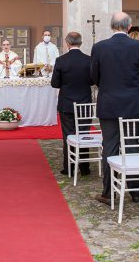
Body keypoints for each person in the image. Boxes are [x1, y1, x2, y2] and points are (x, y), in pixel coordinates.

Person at [91, 12, 139, 206]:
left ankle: (108, 192)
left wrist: (107, 87)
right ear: (129, 26)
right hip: (132, 103)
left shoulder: (99, 47)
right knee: (132, 145)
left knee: (110, 146)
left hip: (109, 102)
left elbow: (94, 77)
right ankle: (136, 191)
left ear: (111, 26)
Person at [50, 31, 93, 176]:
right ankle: (85, 168)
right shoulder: (89, 59)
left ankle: (69, 167)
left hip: (67, 103)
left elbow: (55, 83)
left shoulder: (61, 60)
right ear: (80, 43)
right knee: (84, 134)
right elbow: (93, 80)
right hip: (85, 104)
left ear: (67, 43)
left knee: (68, 135)